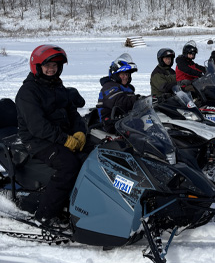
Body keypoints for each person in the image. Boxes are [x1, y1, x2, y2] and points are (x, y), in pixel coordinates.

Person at [15, 45, 87, 228]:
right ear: (37, 66)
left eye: (55, 65)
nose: (51, 69)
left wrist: (79, 132)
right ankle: (45, 215)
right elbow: (37, 126)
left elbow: (72, 112)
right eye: (47, 65)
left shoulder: (57, 85)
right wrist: (65, 140)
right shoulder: (28, 92)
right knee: (68, 166)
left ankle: (80, 205)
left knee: (91, 156)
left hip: (59, 135)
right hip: (37, 141)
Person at [97, 53, 139, 132]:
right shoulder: (109, 86)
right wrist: (137, 99)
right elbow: (120, 102)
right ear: (116, 74)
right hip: (110, 123)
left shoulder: (128, 88)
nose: (125, 77)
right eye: (122, 74)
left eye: (127, 74)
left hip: (125, 121)